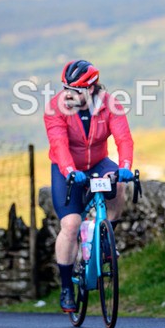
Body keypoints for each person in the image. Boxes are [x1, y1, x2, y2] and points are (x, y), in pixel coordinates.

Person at [44, 60, 135, 313]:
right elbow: (59, 144)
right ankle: (65, 286)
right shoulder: (56, 107)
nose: (68, 94)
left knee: (118, 185)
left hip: (97, 162)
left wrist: (125, 165)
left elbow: (124, 138)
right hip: (67, 168)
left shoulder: (110, 104)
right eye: (65, 88)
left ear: (92, 88)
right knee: (71, 225)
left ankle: (106, 237)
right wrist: (70, 171)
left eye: (75, 89)